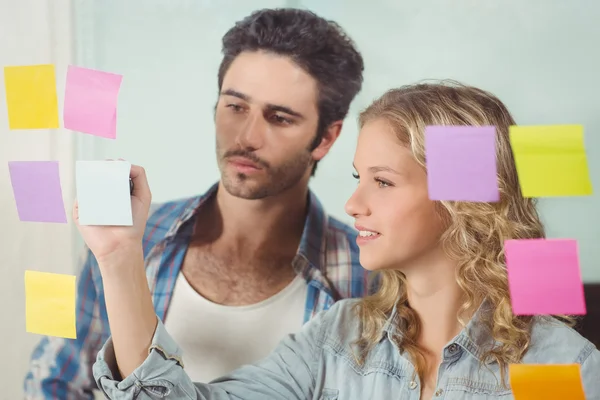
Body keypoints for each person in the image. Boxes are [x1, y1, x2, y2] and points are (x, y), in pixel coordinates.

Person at [82, 81, 599, 399]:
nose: (353, 205)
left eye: (383, 180)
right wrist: (119, 255)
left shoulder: (563, 364)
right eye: (357, 178)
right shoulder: (336, 340)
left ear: (461, 196)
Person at [24, 8, 371, 399]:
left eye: (279, 117)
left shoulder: (367, 277)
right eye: (235, 107)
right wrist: (118, 255)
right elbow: (55, 382)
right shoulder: (133, 237)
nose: (246, 136)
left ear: (325, 138)